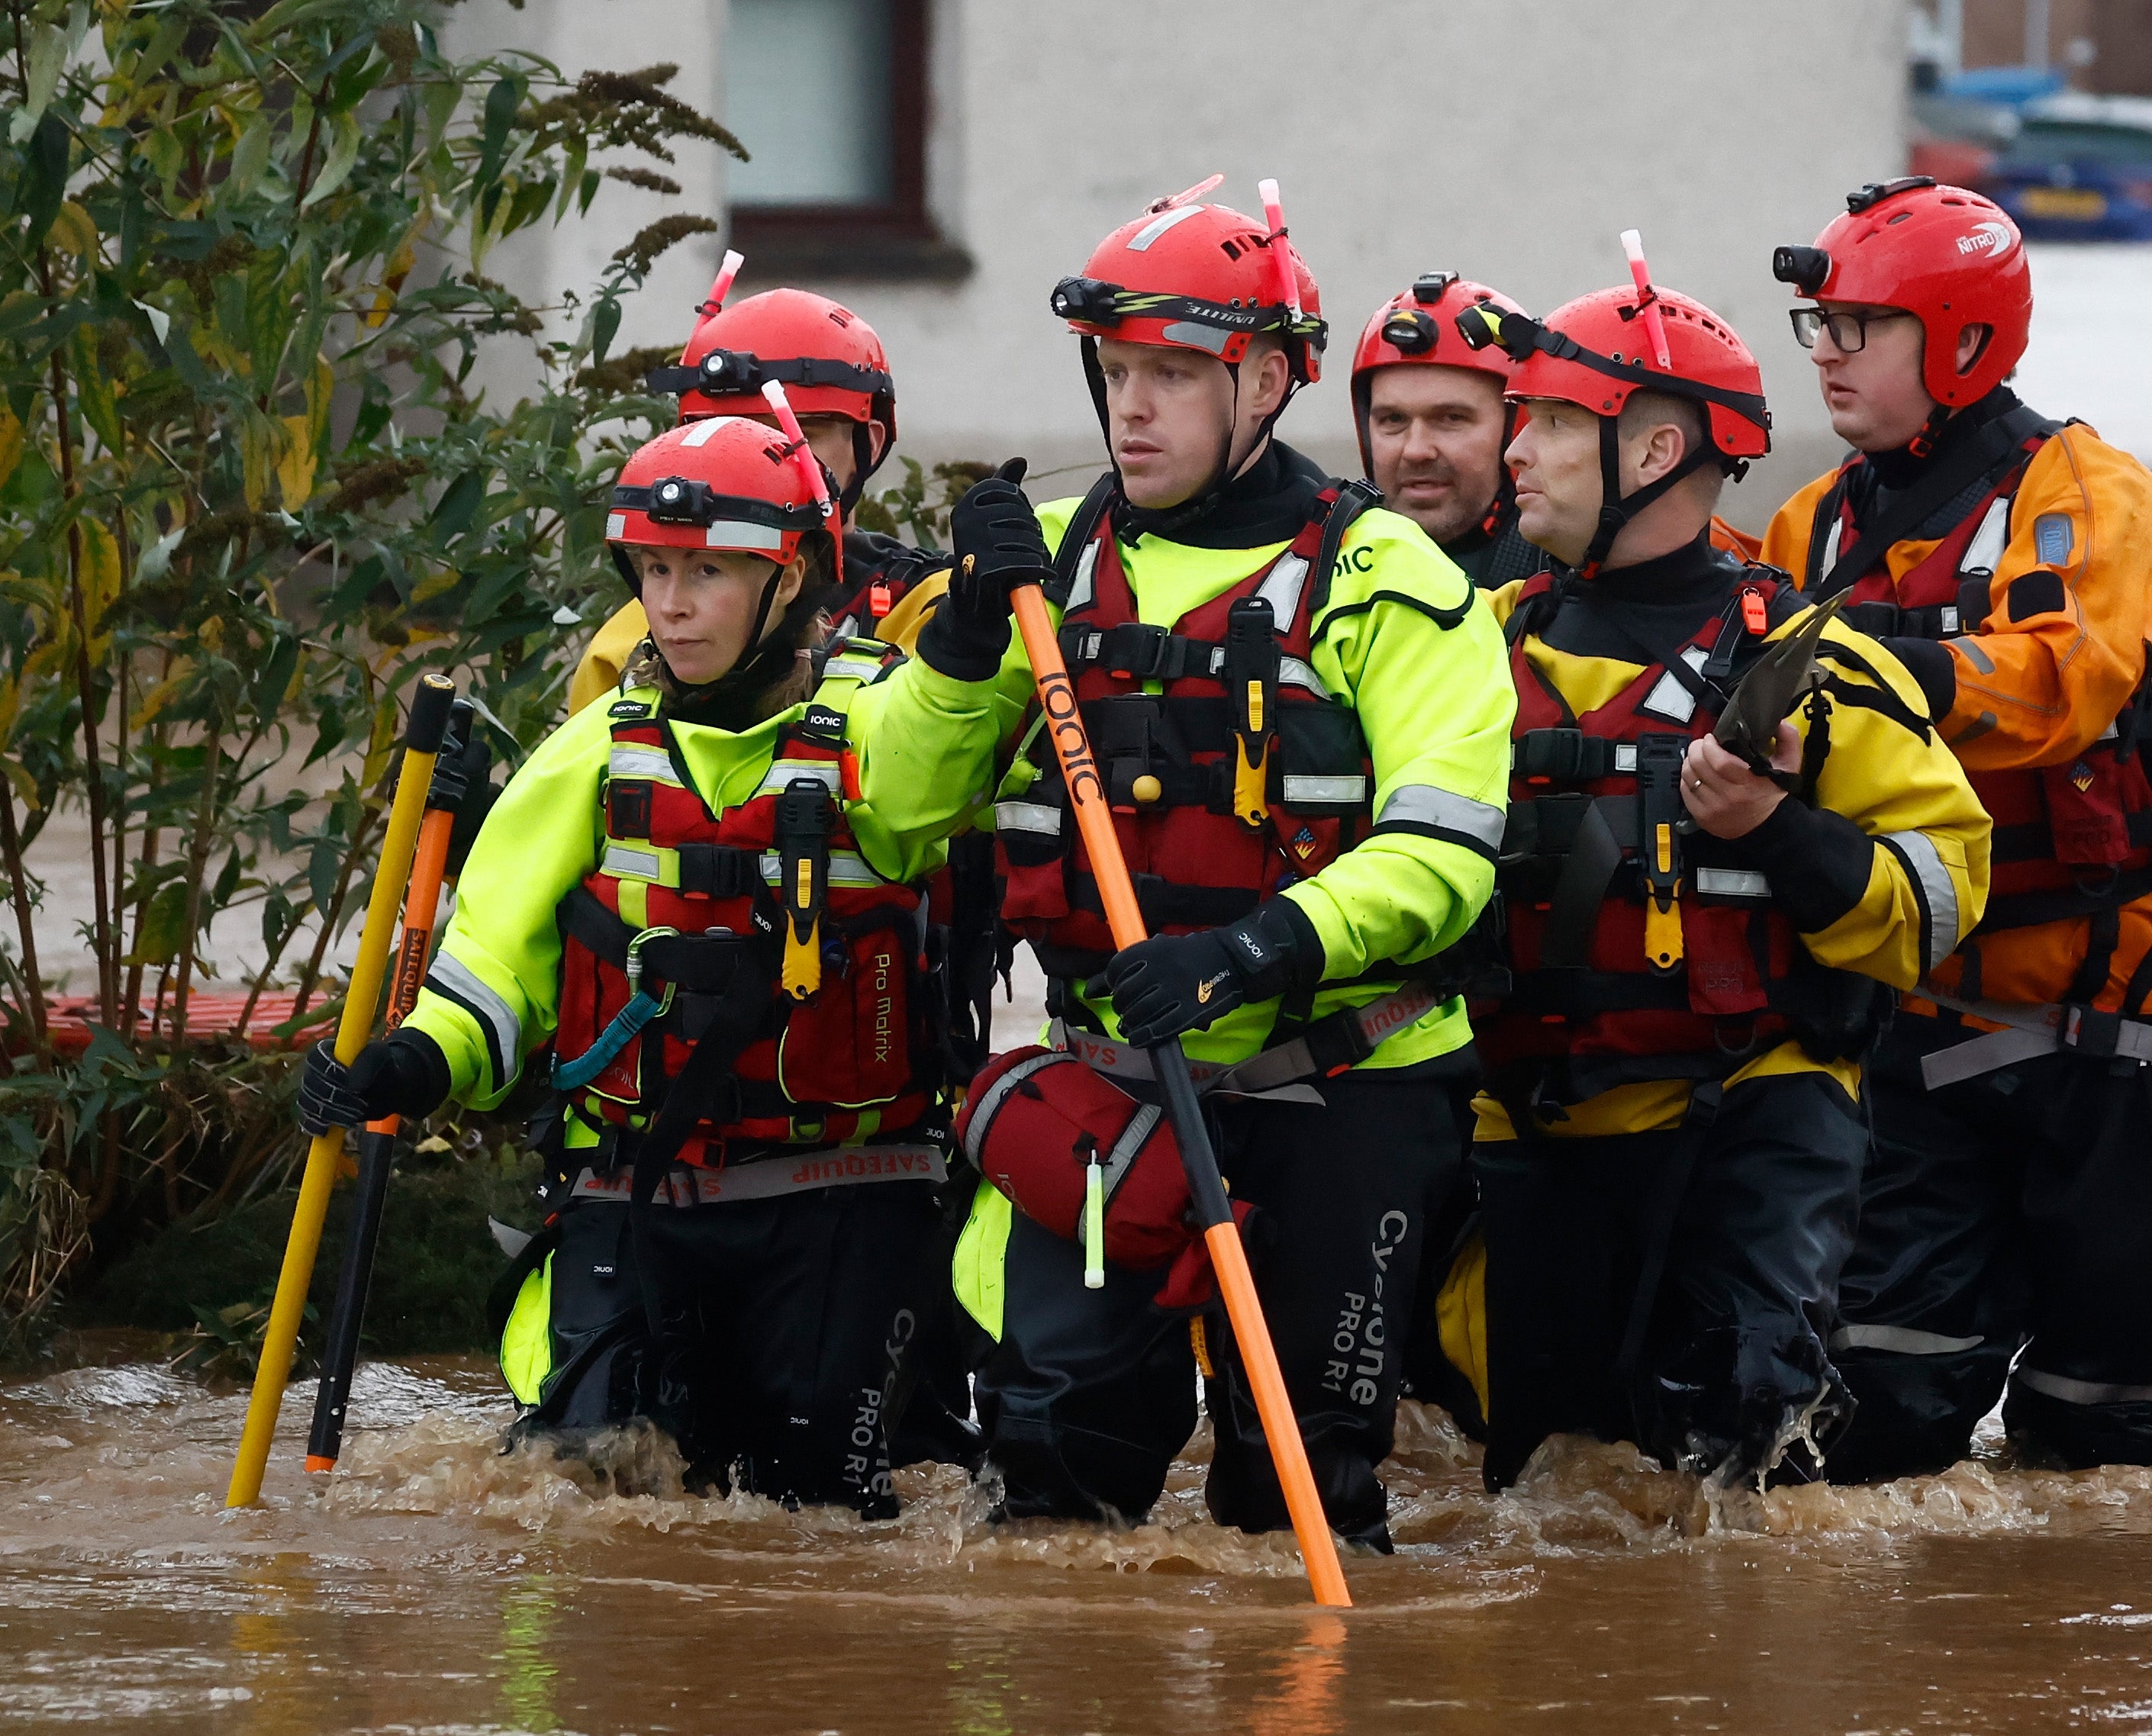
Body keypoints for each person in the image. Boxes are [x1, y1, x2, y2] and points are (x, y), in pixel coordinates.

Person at [889, 179, 1516, 1550]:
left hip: (1342, 1083)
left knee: (1294, 1498)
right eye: (1117, 373)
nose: (1132, 409)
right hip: (1116, 1087)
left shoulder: (1391, 580)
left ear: (1272, 381)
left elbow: (1443, 853)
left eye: (1173, 374)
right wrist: (956, 643)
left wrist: (1248, 949)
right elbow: (891, 805)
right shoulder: (1042, 573)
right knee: (1048, 1472)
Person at [297, 417, 1017, 1513]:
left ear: (788, 581)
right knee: (586, 1486)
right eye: (655, 570)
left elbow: (939, 753)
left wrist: (969, 632)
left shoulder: (876, 720)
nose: (670, 603)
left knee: (818, 1503)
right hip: (636, 1188)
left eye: (708, 573)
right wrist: (408, 1062)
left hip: (842, 1193)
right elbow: (491, 966)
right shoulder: (593, 750)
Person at [1757, 177, 2152, 1479]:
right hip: (1917, 1030)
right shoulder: (1807, 529)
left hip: (2123, 1033)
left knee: (2111, 1439)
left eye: (1854, 329)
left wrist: (1860, 669)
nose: (1823, 356)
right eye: (1812, 327)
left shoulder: (2092, 499)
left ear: (1961, 341)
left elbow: (2058, 685)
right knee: (1869, 1429)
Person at [1456, 269, 1992, 1491]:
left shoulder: (1812, 661)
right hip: (1531, 1120)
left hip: (1745, 1117)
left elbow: (1943, 899)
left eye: (1544, 421)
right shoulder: (1476, 646)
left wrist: (1777, 829)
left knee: (1737, 1454)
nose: (1512, 448)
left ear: (1652, 447)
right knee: (1542, 1487)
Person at [567, 286, 947, 713]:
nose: (756, 461)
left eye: (794, 434)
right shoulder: (633, 641)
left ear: (869, 445)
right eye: (731, 434)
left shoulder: (930, 610)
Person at [1351, 272, 1545, 587]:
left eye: (1451, 419)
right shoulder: (1321, 570)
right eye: (1393, 420)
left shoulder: (1570, 583)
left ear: (1517, 428)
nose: (1416, 451)